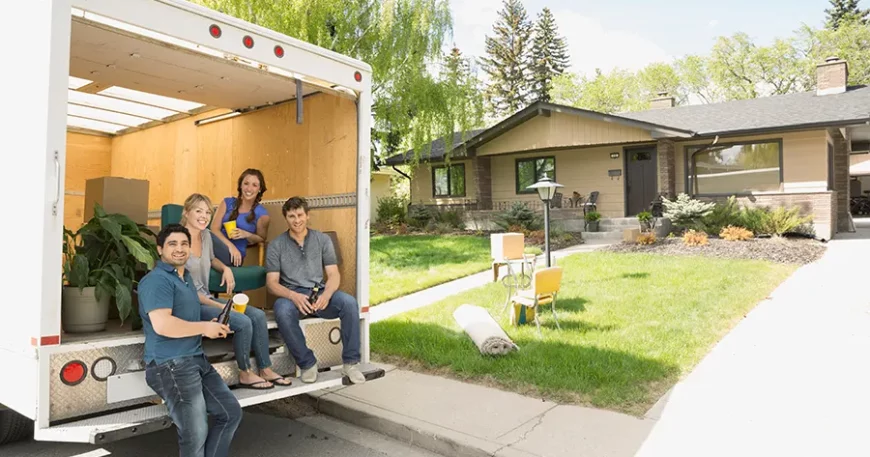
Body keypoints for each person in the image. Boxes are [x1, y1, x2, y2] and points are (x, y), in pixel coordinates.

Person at [139, 224, 242, 457]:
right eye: (172, 244)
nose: (179, 249)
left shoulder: (184, 279)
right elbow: (163, 325)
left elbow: (185, 316)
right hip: (171, 364)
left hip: (195, 359)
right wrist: (205, 327)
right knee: (195, 433)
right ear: (159, 250)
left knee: (230, 413)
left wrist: (213, 321)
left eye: (184, 243)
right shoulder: (156, 281)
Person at [181, 193, 290, 389]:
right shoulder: (178, 242)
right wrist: (220, 306)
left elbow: (212, 258)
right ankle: (245, 372)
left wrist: (226, 269)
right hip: (190, 304)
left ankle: (265, 368)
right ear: (186, 212)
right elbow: (184, 290)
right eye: (198, 211)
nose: (204, 216)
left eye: (207, 212)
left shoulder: (205, 235)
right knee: (242, 321)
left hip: (205, 297)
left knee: (257, 315)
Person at [266, 196, 366, 385]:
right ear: (285, 218)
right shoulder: (276, 245)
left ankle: (350, 364)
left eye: (300, 215)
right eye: (291, 216)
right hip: (292, 295)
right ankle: (307, 364)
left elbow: (333, 274)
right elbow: (272, 283)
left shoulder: (322, 239)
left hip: (318, 292)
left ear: (308, 215)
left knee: (349, 303)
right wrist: (293, 296)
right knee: (282, 309)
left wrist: (327, 295)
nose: (297, 220)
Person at [211, 169, 270, 267]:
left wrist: (246, 234)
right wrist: (231, 246)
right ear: (241, 185)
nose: (249, 189)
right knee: (202, 234)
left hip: (235, 257)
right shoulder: (227, 202)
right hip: (219, 247)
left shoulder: (262, 214)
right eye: (246, 183)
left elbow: (261, 239)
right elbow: (214, 229)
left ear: (259, 189)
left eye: (254, 185)